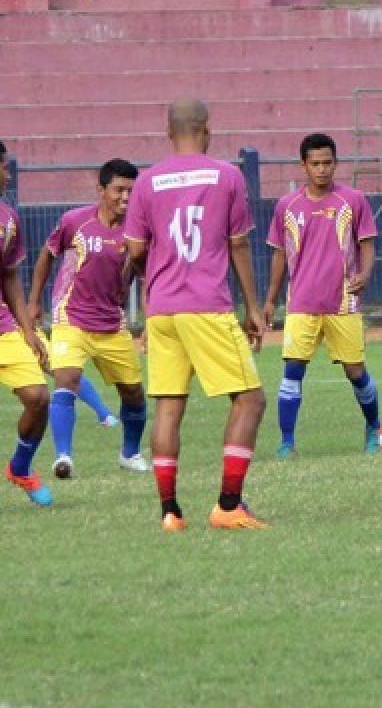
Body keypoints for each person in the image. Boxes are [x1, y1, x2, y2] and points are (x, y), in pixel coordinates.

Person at [124, 99, 267, 532]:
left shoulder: (148, 181)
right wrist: (253, 307)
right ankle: (228, 504)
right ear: (207, 129)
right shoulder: (227, 175)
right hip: (205, 304)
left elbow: (133, 250)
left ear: (169, 132)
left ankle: (170, 513)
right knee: (250, 400)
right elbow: (239, 244)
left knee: (169, 406)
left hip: (162, 310)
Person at [28, 158, 148, 479]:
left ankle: (130, 453)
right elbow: (46, 256)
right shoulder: (74, 222)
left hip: (112, 325)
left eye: (131, 192)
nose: (125, 198)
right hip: (71, 319)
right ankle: (63, 457)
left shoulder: (138, 231)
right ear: (101, 190)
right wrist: (33, 303)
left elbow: (149, 275)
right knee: (65, 379)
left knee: (134, 394)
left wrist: (150, 323)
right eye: (119, 190)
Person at [264, 133, 382, 459]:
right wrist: (270, 300)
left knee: (355, 372)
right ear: (303, 165)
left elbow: (367, 243)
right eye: (315, 163)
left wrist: (366, 274)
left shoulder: (353, 201)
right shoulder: (286, 206)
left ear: (335, 163)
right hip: (301, 302)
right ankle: (287, 442)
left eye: (327, 163)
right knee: (292, 372)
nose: (322, 170)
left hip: (343, 302)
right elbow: (277, 255)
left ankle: (374, 427)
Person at [0, 140, 52, 506]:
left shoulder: (8, 218)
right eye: (4, 166)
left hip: (2, 325)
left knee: (38, 398)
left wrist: (28, 330)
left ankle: (20, 466)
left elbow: (10, 278)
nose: (7, 173)